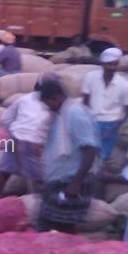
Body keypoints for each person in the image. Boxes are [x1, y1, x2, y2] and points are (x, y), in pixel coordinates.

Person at [38, 76, 99, 233]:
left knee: (58, 225)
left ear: (56, 98)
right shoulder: (62, 114)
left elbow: (90, 150)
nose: (47, 107)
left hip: (72, 181)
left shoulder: (75, 114)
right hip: (61, 179)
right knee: (54, 224)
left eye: (48, 103)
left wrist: (76, 183)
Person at [0, 76, 50, 197]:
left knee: (4, 172)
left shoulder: (24, 99)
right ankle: (39, 206)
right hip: (33, 142)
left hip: (15, 137)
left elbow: (5, 119)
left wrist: (14, 133)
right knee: (38, 179)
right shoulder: (51, 103)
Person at [81, 47, 128, 162]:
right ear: (102, 64)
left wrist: (116, 126)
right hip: (91, 120)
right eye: (109, 64)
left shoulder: (124, 85)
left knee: (104, 155)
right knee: (88, 153)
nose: (112, 68)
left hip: (111, 123)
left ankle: (98, 175)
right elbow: (85, 100)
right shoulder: (90, 77)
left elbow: (127, 109)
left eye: (114, 64)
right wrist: (86, 119)